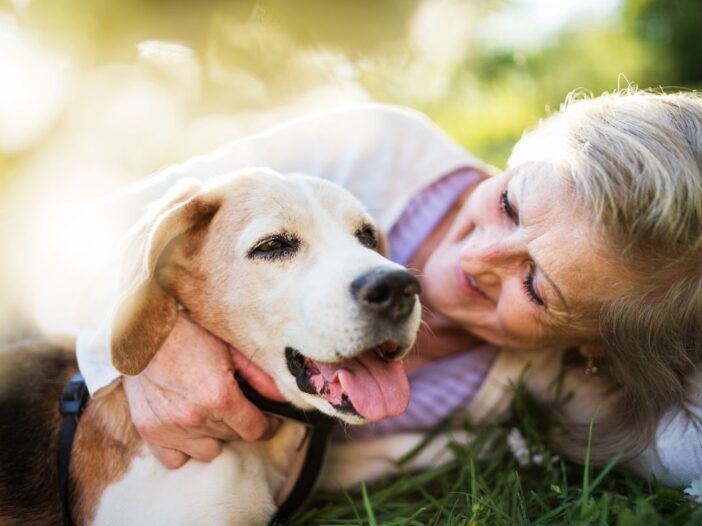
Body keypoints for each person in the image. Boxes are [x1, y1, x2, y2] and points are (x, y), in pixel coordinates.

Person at [75, 89, 702, 488]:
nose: (476, 257)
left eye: (535, 287)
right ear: (522, 154)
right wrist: (141, 346)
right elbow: (72, 236)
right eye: (509, 202)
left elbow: (686, 449)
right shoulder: (377, 149)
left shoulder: (562, 379)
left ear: (596, 344)